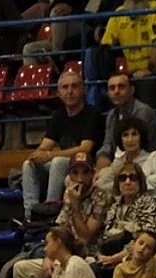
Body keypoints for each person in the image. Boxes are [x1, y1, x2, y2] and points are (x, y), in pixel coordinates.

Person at [21, 71, 102, 219]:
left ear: (83, 90)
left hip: (84, 166)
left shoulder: (92, 114)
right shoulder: (58, 115)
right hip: (64, 166)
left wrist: (50, 155)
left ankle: (50, 211)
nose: (69, 91)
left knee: (57, 162)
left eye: (74, 86)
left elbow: (85, 148)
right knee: (28, 164)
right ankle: (30, 215)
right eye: (65, 87)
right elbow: (45, 145)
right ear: (59, 93)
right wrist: (37, 155)